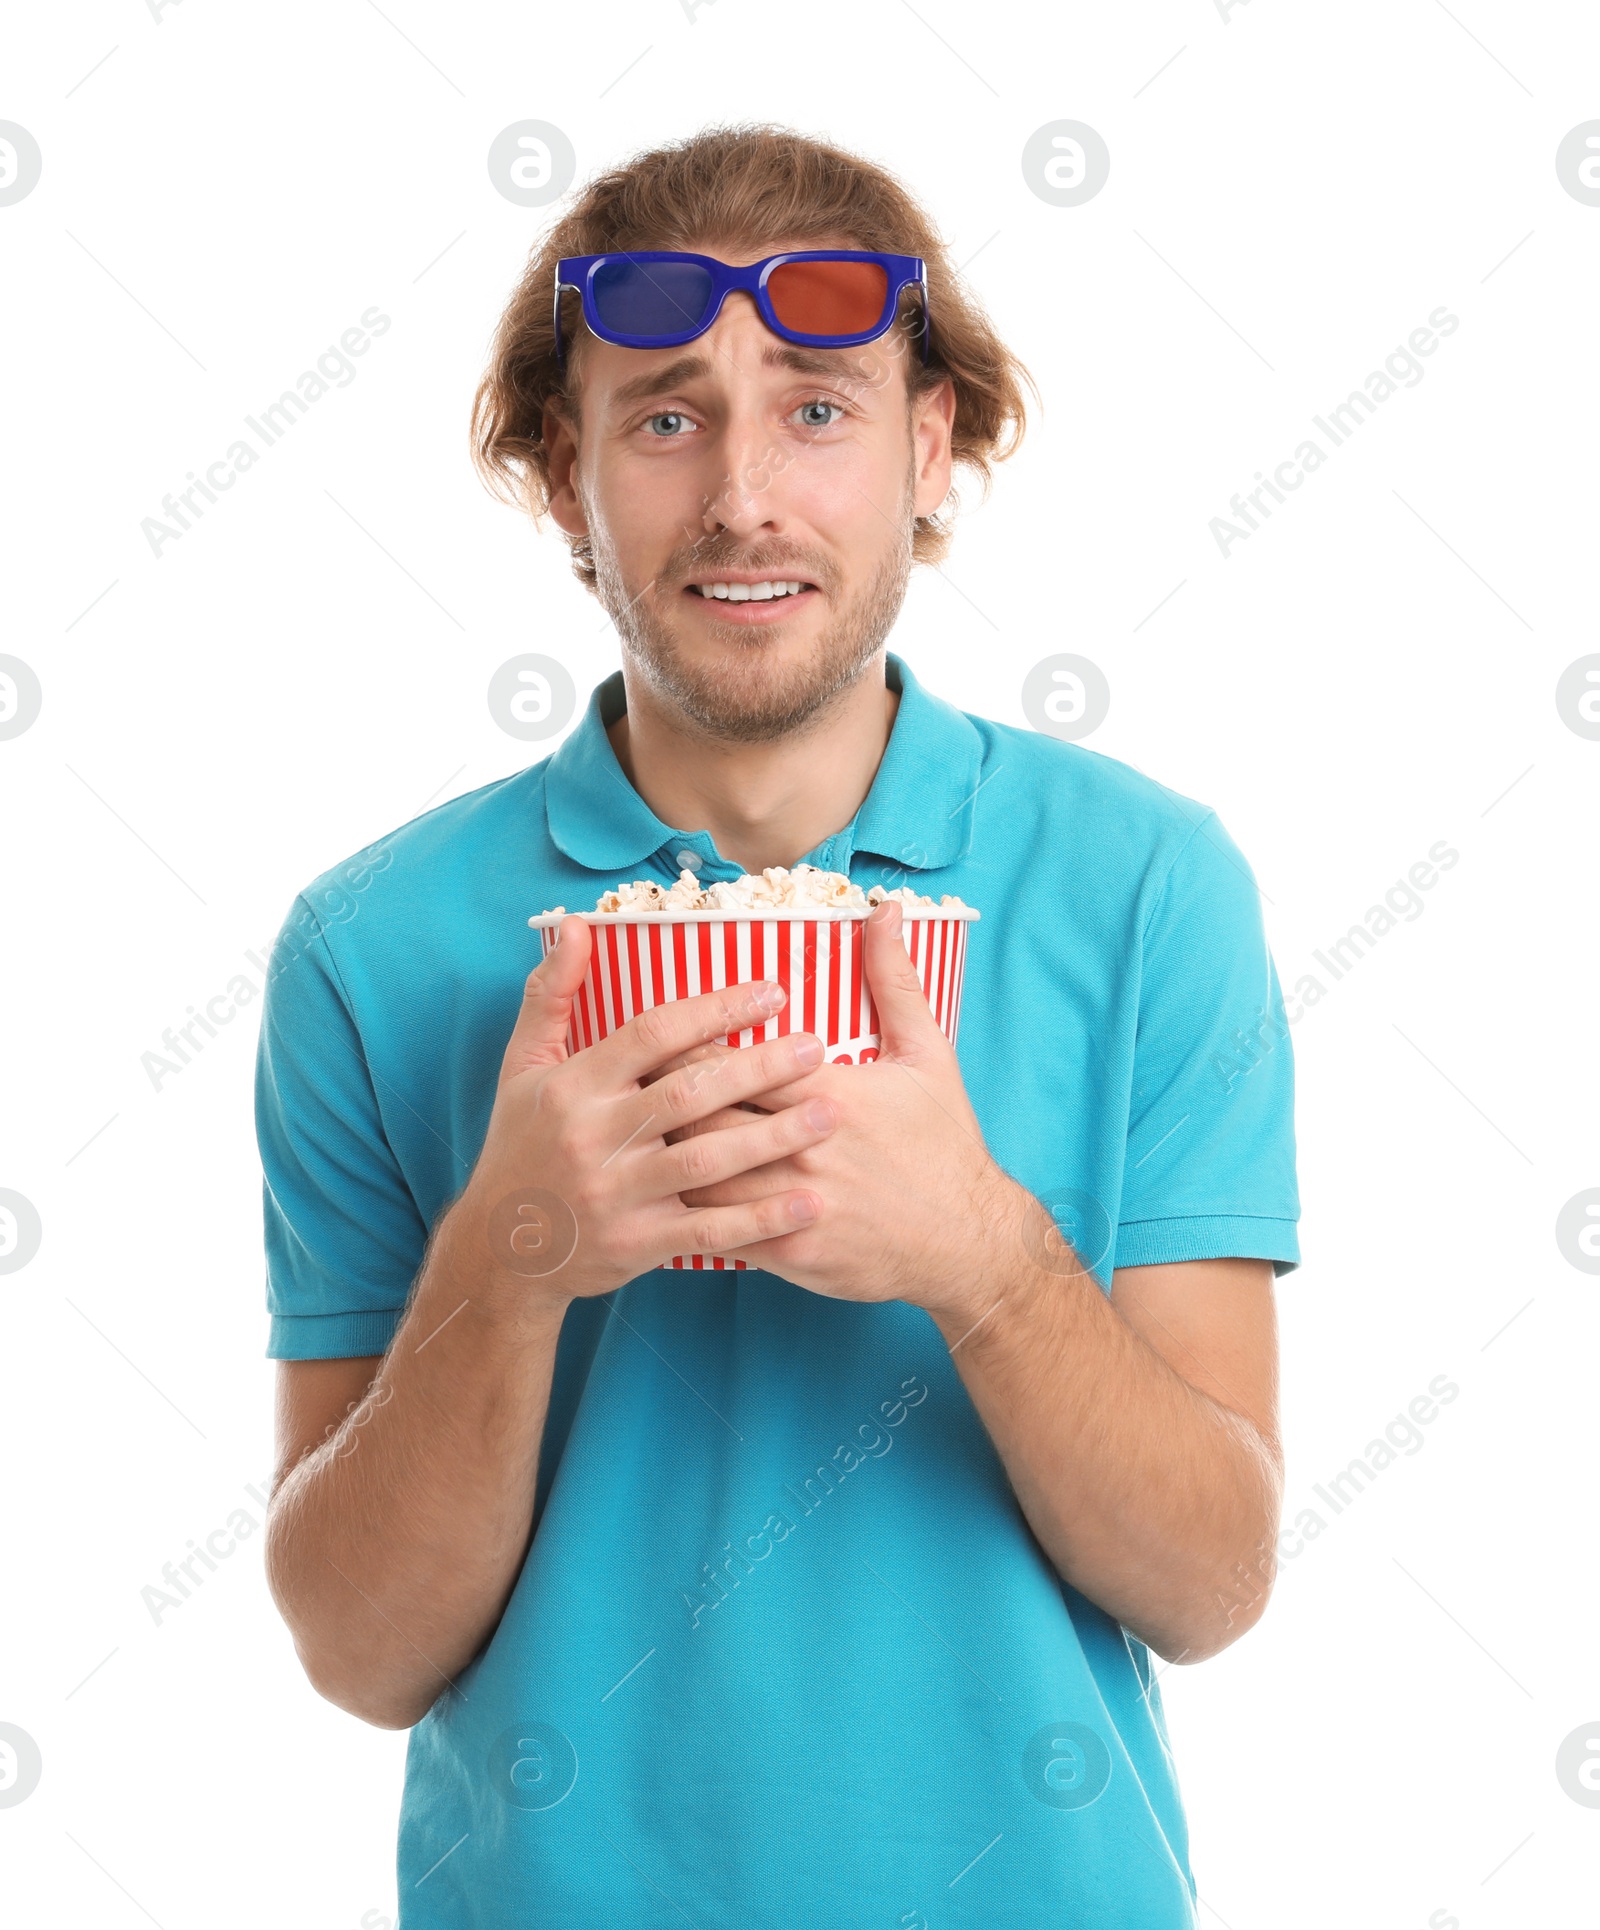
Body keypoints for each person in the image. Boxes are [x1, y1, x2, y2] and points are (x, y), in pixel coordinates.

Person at [257, 123, 1300, 1929]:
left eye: (818, 408)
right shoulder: (372, 947)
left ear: (932, 447)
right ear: (560, 479)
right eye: (664, 417)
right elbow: (358, 1649)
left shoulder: (1151, 888)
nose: (744, 493)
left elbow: (1211, 1581)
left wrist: (977, 1249)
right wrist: (513, 1254)